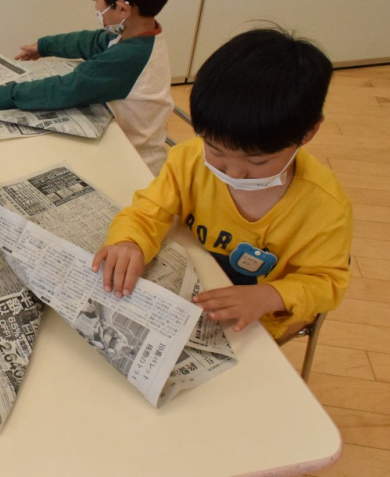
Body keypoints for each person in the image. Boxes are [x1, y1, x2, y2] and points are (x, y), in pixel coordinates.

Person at [91, 28, 352, 341]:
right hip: (193, 289)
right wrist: (129, 241)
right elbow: (150, 208)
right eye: (215, 151)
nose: (234, 173)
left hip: (261, 320)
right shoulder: (189, 159)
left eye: (257, 163)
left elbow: (327, 282)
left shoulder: (323, 206)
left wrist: (270, 295)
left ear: (308, 132)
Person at [0, 0, 179, 175]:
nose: (95, 6)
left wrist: (2, 94)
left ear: (122, 9)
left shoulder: (128, 57)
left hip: (135, 168)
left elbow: (67, 89)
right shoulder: (140, 34)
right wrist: (44, 46)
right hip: (122, 145)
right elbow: (91, 41)